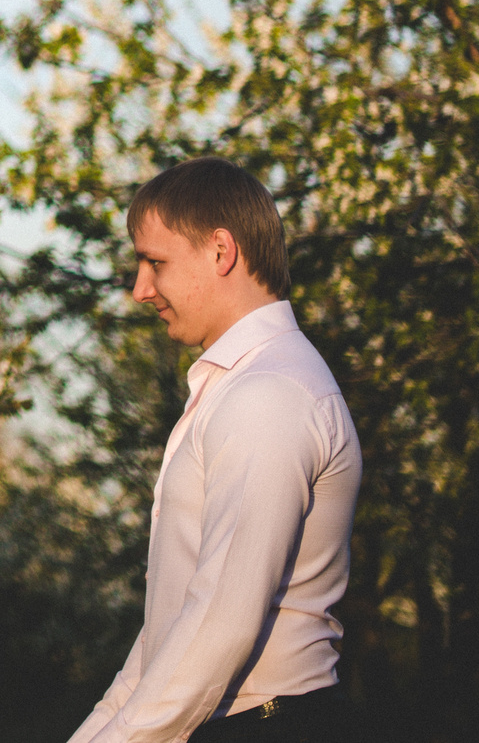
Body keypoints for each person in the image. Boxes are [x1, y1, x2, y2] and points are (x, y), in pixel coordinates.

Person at [68, 157, 363, 743]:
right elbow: (171, 634)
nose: (140, 289)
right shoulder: (241, 387)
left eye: (155, 262)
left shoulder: (269, 395)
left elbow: (219, 626)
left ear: (221, 251)